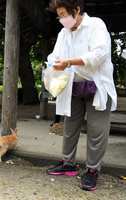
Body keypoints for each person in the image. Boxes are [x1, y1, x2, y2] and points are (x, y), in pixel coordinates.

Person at [46, 0, 117, 191]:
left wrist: (68, 62)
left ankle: (93, 170)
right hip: (74, 86)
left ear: (76, 10)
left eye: (64, 15)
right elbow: (56, 54)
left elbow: (99, 54)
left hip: (97, 86)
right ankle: (68, 163)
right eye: (59, 16)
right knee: (70, 125)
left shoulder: (95, 25)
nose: (62, 19)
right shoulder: (64, 33)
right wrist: (53, 60)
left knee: (96, 130)